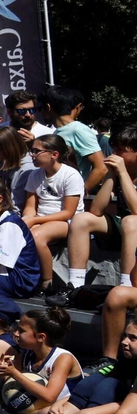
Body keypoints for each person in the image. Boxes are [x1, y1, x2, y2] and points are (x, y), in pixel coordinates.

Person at [67, 125, 137, 293]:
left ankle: (126, 287)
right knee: (82, 219)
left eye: (121, 150)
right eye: (114, 149)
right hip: (123, 229)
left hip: (132, 225)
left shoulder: (125, 173)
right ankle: (75, 286)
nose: (114, 155)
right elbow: (96, 210)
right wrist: (112, 176)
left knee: (131, 221)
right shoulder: (118, 172)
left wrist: (123, 174)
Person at [23, 134, 84, 288]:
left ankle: (47, 281)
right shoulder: (34, 175)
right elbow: (31, 206)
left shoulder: (70, 175)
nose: (32, 155)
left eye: (37, 151)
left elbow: (68, 212)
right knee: (20, 234)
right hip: (42, 218)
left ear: (54, 155)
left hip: (66, 221)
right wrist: (26, 219)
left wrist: (34, 221)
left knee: (36, 237)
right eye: (32, 150)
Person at [41, 85, 108, 193]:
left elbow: (101, 167)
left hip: (71, 202)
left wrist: (79, 194)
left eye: (40, 108)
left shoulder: (78, 130)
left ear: (48, 107)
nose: (40, 112)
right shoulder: (58, 132)